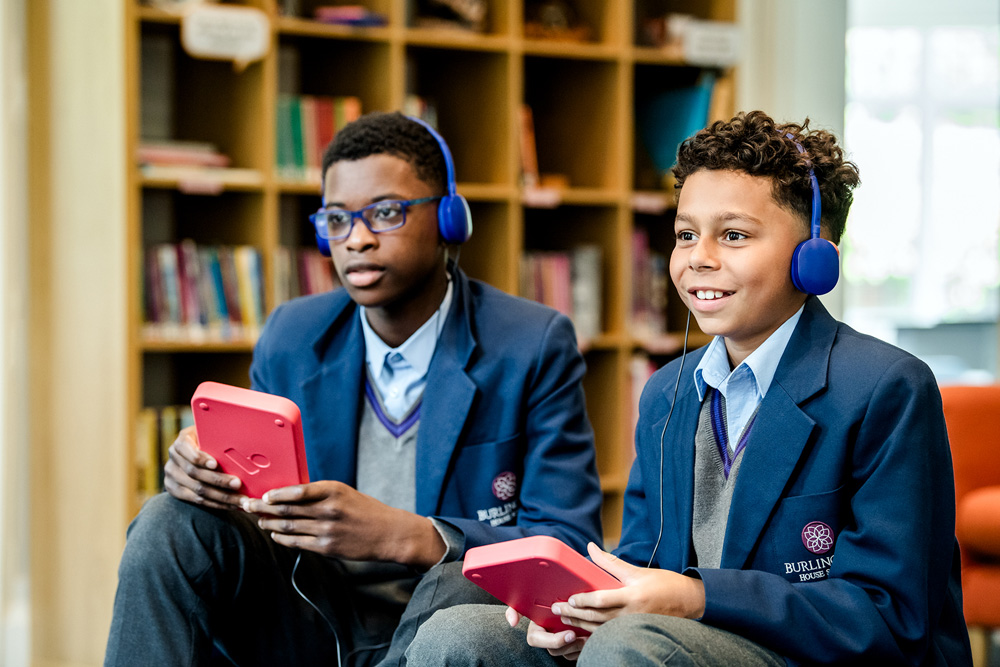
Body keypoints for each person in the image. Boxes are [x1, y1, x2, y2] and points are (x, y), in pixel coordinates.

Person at [403, 110, 973, 666]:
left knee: (631, 646)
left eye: (733, 235)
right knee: (457, 635)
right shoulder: (666, 392)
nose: (698, 258)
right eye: (684, 234)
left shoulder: (886, 389)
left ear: (814, 256)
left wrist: (695, 598)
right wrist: (584, 611)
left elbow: (888, 617)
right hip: (675, 640)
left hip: (804, 652)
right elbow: (640, 559)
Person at [104, 111, 604, 667]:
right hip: (307, 611)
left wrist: (412, 536)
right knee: (168, 523)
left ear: (448, 220)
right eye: (337, 220)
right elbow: (250, 507)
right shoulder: (292, 336)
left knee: (459, 583)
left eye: (385, 213)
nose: (357, 240)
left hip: (446, 623)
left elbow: (568, 541)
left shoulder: (531, 343)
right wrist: (200, 479)